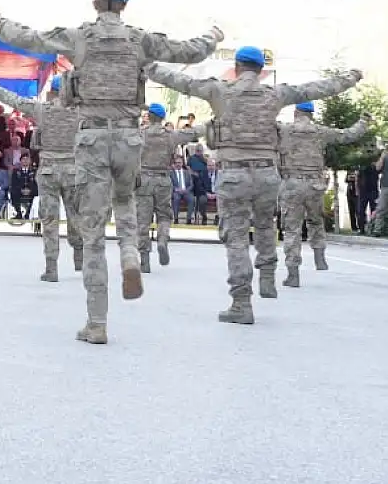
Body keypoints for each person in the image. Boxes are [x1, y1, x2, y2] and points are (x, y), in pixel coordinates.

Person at [0, 0, 221, 344]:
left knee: (92, 230)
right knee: (125, 203)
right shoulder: (140, 40)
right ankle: (129, 253)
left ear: (96, 3)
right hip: (129, 137)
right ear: (124, 6)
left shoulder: (79, 37)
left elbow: (26, 37)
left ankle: (97, 323)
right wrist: (213, 36)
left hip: (92, 138)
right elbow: (188, 51)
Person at [146, 49, 359, 325]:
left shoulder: (219, 91)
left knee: (236, 238)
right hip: (268, 174)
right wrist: (350, 78)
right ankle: (268, 274)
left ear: (236, 67)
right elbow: (315, 89)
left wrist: (148, 66)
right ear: (260, 70)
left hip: (234, 174)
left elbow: (179, 81)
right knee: (265, 225)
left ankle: (241, 303)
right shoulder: (275, 95)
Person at [0, 75, 86, 283]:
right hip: (72, 171)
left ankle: (51, 268)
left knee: (49, 220)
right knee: (75, 215)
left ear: (53, 91)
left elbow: (12, 99)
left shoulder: (42, 110)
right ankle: (79, 252)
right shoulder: (80, 112)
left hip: (49, 171)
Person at [275, 101, 366, 287]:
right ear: (312, 115)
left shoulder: (283, 130)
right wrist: (363, 121)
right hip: (315, 184)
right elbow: (347, 135)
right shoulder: (319, 131)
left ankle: (293, 273)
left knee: (292, 228)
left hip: (292, 184)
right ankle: (319, 256)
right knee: (315, 220)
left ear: (295, 113)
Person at [134, 103, 200, 272]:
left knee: (143, 220)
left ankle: (144, 258)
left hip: (144, 179)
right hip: (163, 178)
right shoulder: (171, 135)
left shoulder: (140, 134)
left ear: (149, 116)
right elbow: (192, 133)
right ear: (162, 118)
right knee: (164, 215)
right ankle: (162, 240)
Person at [185, 144, 212, 225]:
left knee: (201, 198)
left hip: (202, 179)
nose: (199, 152)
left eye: (200, 151)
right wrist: (193, 173)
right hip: (193, 179)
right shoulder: (191, 158)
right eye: (197, 151)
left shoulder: (204, 159)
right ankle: (191, 218)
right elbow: (188, 168)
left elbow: (208, 168)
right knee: (193, 197)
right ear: (195, 150)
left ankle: (202, 216)